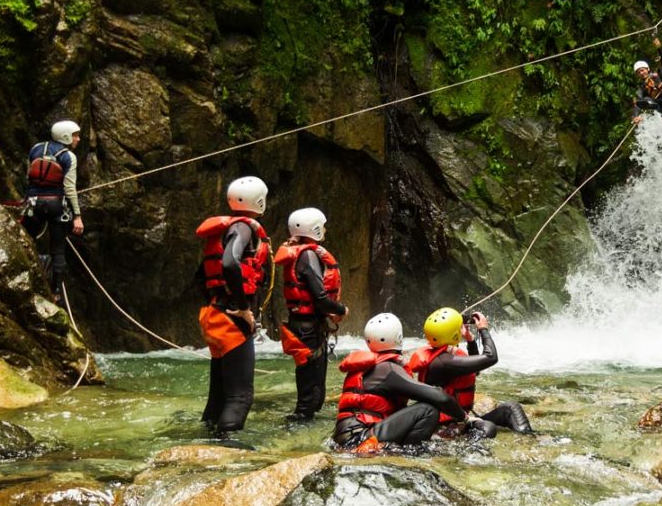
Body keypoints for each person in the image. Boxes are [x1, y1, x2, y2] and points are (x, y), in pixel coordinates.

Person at [195, 176, 271, 437]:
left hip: (214, 313)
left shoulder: (222, 230)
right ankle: (226, 446)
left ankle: (206, 438)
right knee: (240, 397)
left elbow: (201, 276)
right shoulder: (243, 228)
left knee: (219, 393)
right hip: (231, 317)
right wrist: (242, 307)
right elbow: (229, 263)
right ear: (259, 200)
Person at [332, 313, 466, 453]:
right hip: (359, 440)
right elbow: (439, 396)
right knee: (427, 410)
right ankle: (410, 456)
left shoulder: (368, 367)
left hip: (345, 438)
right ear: (399, 338)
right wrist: (464, 418)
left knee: (420, 408)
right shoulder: (388, 369)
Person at [406, 308, 533, 438]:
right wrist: (483, 329)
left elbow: (475, 370)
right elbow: (491, 357)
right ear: (454, 334)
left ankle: (528, 440)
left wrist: (470, 340)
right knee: (488, 428)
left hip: (460, 418)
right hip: (448, 424)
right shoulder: (444, 362)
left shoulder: (441, 356)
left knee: (510, 408)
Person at [273, 207, 348, 421]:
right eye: (322, 226)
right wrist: (342, 310)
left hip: (305, 324)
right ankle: (299, 425)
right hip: (307, 328)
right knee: (310, 387)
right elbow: (321, 298)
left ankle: (305, 421)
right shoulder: (308, 256)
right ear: (313, 229)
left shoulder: (301, 254)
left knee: (313, 384)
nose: (324, 230)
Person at [22, 120, 85, 300]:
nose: (78, 139)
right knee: (58, 249)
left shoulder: (36, 149)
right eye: (75, 135)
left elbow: (29, 177)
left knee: (28, 240)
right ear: (65, 136)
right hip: (57, 205)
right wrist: (77, 216)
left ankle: (31, 278)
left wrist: (27, 199)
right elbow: (70, 188)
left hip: (33, 203)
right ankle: (56, 293)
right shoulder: (68, 157)